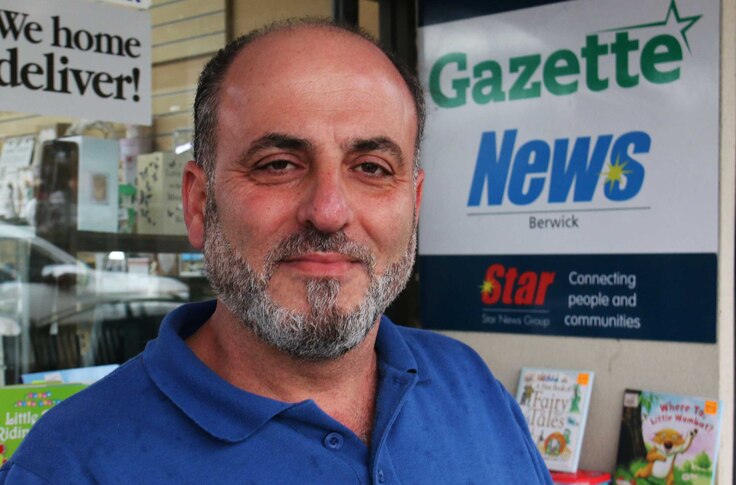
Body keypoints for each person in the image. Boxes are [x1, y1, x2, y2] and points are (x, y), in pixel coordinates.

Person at [0, 19, 553, 484]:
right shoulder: (68, 465)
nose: (330, 210)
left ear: (414, 201)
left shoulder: (470, 386)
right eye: (278, 165)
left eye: (371, 168)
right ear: (198, 203)